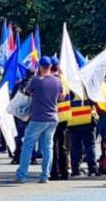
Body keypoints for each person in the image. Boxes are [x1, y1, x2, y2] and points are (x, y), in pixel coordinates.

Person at [17, 55, 62, 183]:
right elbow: (61, 97)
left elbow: (26, 92)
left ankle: (22, 174)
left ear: (40, 67)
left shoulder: (37, 80)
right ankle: (45, 175)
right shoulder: (57, 81)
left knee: (28, 145)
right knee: (48, 147)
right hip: (53, 117)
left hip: (38, 118)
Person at [67, 85, 98, 177]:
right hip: (86, 119)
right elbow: (95, 100)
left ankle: (75, 169)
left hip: (73, 120)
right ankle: (92, 169)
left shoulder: (69, 86)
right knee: (90, 145)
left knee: (75, 146)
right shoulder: (87, 86)